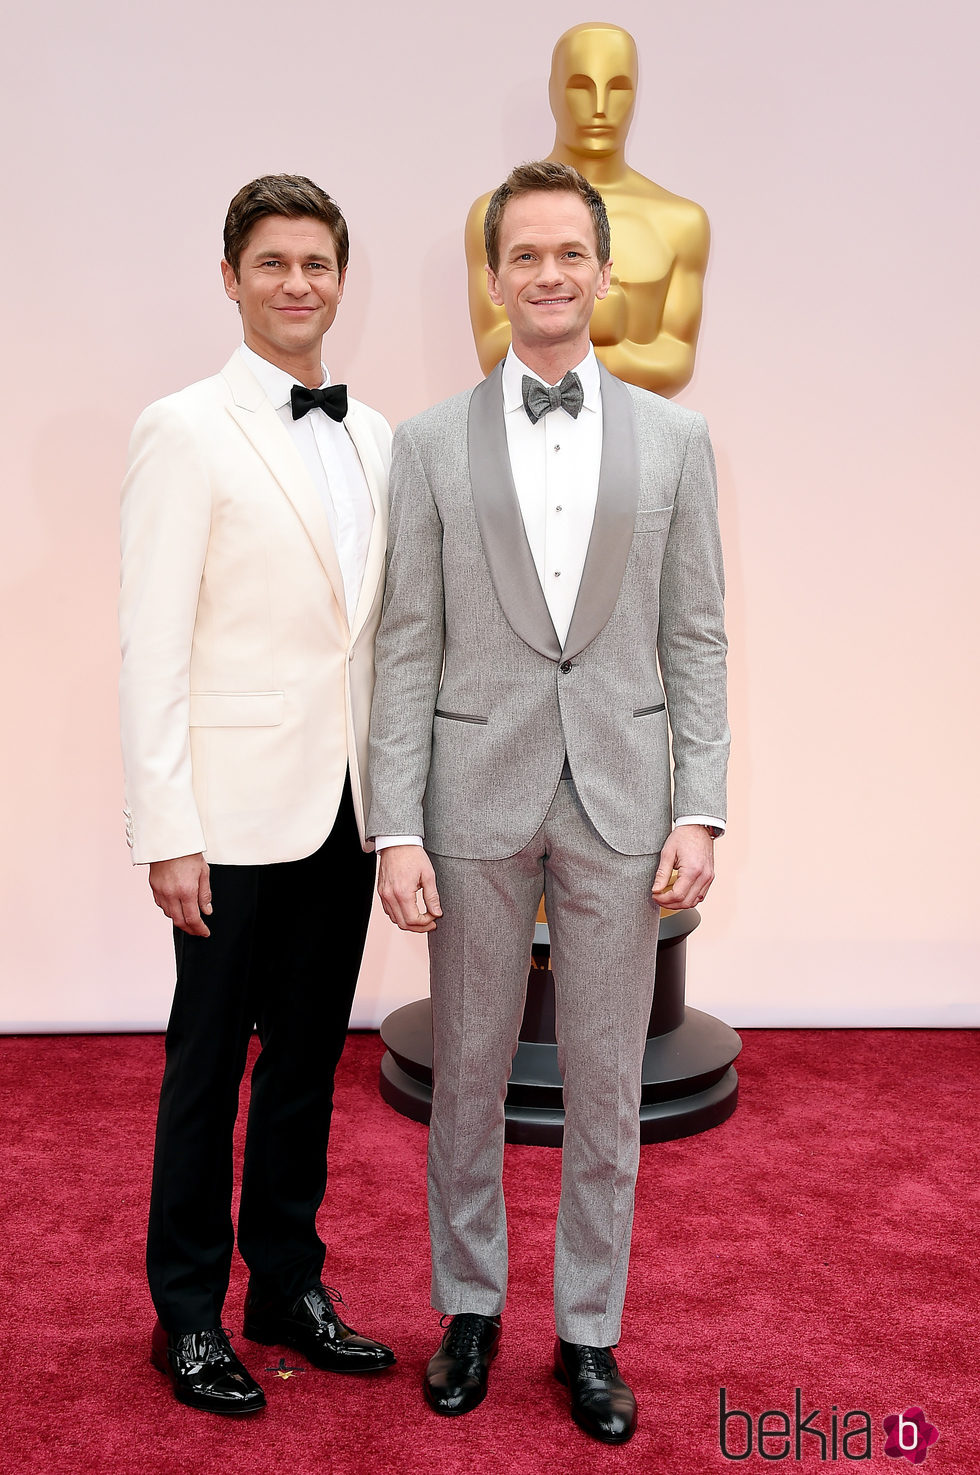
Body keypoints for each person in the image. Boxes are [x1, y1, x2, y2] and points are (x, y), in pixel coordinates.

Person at [368, 160, 728, 1445]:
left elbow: (696, 638)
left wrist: (702, 804)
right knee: (465, 1068)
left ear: (602, 267)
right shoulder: (421, 444)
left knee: (603, 1083)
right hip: (469, 796)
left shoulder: (678, 440)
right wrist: (393, 824)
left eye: (567, 253)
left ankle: (588, 1330)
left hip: (626, 797)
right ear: (494, 275)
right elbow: (405, 642)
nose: (546, 275)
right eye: (521, 255)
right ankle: (468, 1306)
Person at [119, 174, 395, 1416]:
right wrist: (164, 827)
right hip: (225, 815)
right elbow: (151, 640)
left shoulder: (375, 434)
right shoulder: (182, 428)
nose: (298, 284)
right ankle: (186, 1310)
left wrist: (395, 811)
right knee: (205, 1065)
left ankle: (285, 1283)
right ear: (229, 278)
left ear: (343, 278)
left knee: (306, 1065)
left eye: (318, 264)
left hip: (340, 805)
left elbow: (373, 639)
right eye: (273, 263)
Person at [465, 22, 709, 396]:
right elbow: (492, 350)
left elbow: (676, 360)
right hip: (521, 432)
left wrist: (561, 331)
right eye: (581, 87)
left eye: (619, 89)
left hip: (642, 440)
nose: (600, 109)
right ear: (553, 93)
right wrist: (609, 330)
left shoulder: (682, 222)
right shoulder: (492, 213)